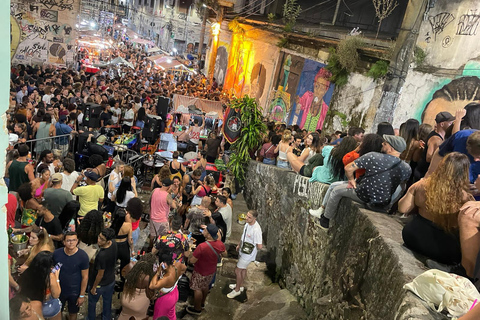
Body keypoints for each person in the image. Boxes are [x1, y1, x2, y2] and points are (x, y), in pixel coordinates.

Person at [314, 135, 411, 230]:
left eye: (385, 144)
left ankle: (325, 219)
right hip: (383, 202)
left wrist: (352, 181)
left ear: (390, 148)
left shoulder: (373, 156)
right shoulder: (406, 168)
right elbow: (401, 188)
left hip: (363, 195)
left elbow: (348, 168)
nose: (382, 144)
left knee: (336, 190)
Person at [398, 152, 473, 265]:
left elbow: (402, 208)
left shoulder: (422, 185)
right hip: (443, 249)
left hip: (413, 237)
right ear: (464, 172)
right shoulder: (466, 198)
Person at [310, 134, 384, 218]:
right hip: (367, 187)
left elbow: (346, 159)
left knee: (334, 188)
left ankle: (325, 215)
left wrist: (357, 149)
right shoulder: (378, 159)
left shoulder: (362, 157)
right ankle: (322, 210)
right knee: (333, 186)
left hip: (359, 185)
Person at [427, 130, 480, 200]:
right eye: (472, 155)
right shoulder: (460, 137)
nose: (475, 160)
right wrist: (430, 174)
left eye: (479, 157)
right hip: (453, 187)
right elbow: (439, 153)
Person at [186, 224, 226, 315]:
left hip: (200, 271)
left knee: (197, 289)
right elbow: (225, 254)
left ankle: (197, 308)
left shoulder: (202, 247)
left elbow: (192, 261)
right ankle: (202, 303)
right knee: (205, 286)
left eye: (205, 231)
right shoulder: (220, 244)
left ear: (209, 235)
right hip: (211, 270)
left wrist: (189, 256)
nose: (203, 231)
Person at [150, 233, 188, 320]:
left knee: (159, 316)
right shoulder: (177, 265)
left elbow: (152, 285)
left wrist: (158, 273)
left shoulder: (168, 276)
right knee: (170, 314)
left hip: (165, 299)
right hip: (174, 292)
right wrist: (177, 277)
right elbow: (184, 268)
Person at [53, 232, 89, 320]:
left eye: (74, 240)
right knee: (57, 311)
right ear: (64, 242)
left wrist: (81, 295)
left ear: (77, 241)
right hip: (59, 289)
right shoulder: (57, 254)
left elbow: (85, 277)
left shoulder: (83, 256)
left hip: (74, 291)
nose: (71, 242)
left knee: (73, 313)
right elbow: (53, 270)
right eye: (68, 240)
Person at [227, 210, 263, 299]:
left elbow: (260, 246)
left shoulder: (256, 230)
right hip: (243, 250)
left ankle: (237, 290)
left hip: (248, 254)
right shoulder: (247, 224)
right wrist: (239, 245)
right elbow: (243, 235)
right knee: (242, 270)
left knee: (237, 270)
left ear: (254, 218)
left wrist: (251, 246)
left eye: (249, 217)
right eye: (247, 216)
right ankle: (240, 284)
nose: (246, 218)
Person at [18, 251, 62, 320]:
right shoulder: (50, 276)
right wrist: (56, 277)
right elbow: (56, 295)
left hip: (33, 305)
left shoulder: (27, 272)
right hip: (48, 305)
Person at [87, 228, 117, 320]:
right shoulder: (114, 243)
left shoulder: (101, 255)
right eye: (99, 237)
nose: (98, 240)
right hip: (111, 279)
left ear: (108, 241)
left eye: (102, 239)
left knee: (92, 303)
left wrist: (94, 287)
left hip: (100, 284)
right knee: (107, 302)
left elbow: (100, 274)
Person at [414, 113, 454, 181]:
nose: (452, 125)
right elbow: (428, 158)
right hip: (423, 174)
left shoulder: (439, 136)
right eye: (450, 123)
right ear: (442, 124)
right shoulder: (436, 139)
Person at [118, 256, 156, 320]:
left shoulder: (130, 268)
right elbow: (150, 295)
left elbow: (123, 274)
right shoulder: (147, 278)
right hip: (138, 306)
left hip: (126, 298)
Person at [150, 178, 177, 244]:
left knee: (152, 234)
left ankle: (150, 246)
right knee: (163, 237)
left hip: (152, 216)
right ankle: (159, 248)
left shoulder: (155, 190)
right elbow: (174, 206)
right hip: (161, 220)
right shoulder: (167, 195)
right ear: (169, 186)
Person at [111, 208, 133, 284]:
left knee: (111, 265)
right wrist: (132, 250)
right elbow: (130, 240)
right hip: (124, 247)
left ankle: (111, 279)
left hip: (114, 246)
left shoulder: (112, 225)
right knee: (125, 266)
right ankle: (123, 280)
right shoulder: (128, 225)